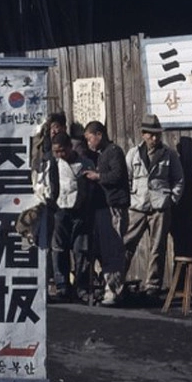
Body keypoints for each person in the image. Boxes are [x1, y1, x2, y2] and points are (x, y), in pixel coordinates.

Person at [122, 114, 184, 303]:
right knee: (126, 244)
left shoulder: (169, 154)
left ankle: (152, 287)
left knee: (158, 247)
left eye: (157, 135)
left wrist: (171, 199)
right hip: (138, 205)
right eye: (151, 135)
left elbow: (179, 179)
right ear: (143, 135)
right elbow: (127, 178)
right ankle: (116, 282)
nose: (155, 138)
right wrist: (131, 198)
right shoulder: (133, 153)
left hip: (160, 206)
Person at [83, 121, 129, 306]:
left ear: (99, 135)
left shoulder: (114, 151)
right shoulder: (102, 155)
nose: (89, 143)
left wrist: (98, 176)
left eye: (89, 139)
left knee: (114, 249)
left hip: (115, 205)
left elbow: (118, 175)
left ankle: (114, 291)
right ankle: (110, 287)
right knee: (106, 249)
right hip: (104, 207)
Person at [47, 131, 94, 302]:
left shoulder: (85, 163)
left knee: (81, 251)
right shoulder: (53, 164)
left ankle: (81, 287)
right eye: (56, 152)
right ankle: (62, 286)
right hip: (60, 211)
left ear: (69, 147)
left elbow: (91, 189)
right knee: (58, 250)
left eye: (62, 151)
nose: (60, 155)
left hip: (80, 211)